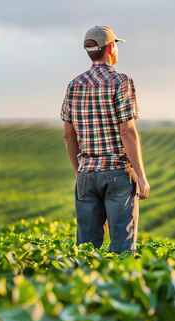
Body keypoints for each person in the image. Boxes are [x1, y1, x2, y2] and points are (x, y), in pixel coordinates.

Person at [60, 25, 150, 253]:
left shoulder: (74, 85)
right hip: (117, 172)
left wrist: (80, 172)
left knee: (87, 251)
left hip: (86, 173)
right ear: (110, 48)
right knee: (122, 250)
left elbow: (68, 137)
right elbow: (128, 131)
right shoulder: (120, 81)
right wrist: (141, 176)